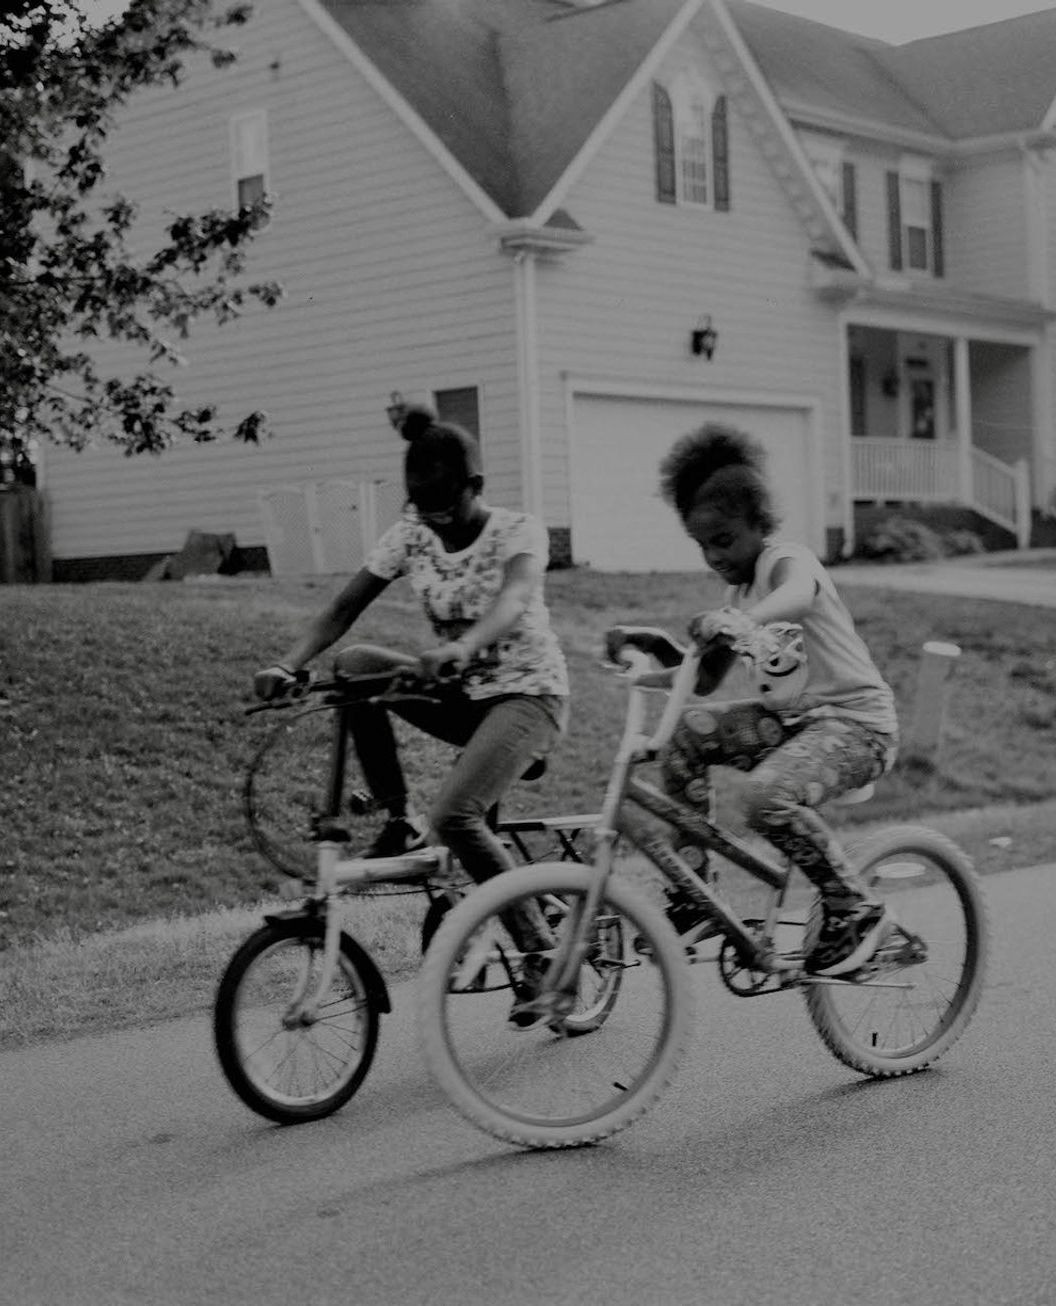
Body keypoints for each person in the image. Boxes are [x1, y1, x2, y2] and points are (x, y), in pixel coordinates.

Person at [254, 404, 569, 1018]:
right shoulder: (412, 533)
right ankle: (396, 817)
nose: (433, 518)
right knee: (354, 666)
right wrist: (288, 665)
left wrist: (462, 647)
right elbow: (342, 609)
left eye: (444, 504)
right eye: (420, 505)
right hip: (460, 697)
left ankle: (543, 952)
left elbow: (512, 600)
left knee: (455, 816)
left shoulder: (518, 531)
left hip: (528, 696)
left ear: (476, 486)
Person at [621, 422, 900, 978]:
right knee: (687, 734)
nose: (714, 556)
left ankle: (854, 906)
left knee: (763, 798)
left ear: (760, 524)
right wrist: (649, 662)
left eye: (724, 540)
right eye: (702, 545)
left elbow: (797, 594)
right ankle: (695, 893)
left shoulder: (786, 562)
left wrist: (741, 620)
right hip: (795, 726)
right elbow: (702, 680)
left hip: (858, 726)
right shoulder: (738, 592)